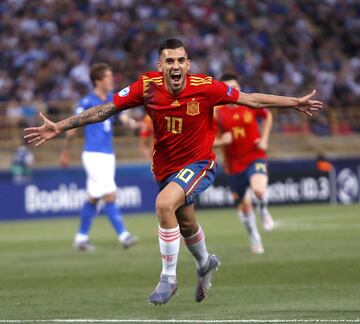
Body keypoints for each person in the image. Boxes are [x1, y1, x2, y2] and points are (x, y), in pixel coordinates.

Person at [24, 38, 323, 305]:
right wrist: (60, 126)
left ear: (188, 64)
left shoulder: (206, 86)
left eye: (181, 60)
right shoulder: (147, 86)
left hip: (199, 163)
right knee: (186, 222)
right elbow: (105, 109)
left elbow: (252, 99)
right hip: (166, 168)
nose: (176, 65)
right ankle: (205, 263)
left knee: (164, 204)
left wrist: (293, 102)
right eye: (170, 60)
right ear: (160, 65)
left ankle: (168, 277)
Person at [59, 63, 138, 251]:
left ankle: (81, 238)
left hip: (108, 154)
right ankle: (123, 235)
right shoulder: (86, 103)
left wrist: (130, 123)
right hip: (94, 154)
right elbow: (72, 129)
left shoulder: (112, 99)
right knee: (109, 194)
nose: (112, 80)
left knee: (94, 197)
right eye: (108, 77)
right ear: (98, 81)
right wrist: (66, 151)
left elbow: (124, 117)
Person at [214, 73, 274, 255]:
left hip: (255, 156)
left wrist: (264, 139)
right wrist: (220, 141)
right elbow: (207, 140)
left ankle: (263, 210)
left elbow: (268, 115)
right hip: (233, 165)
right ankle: (255, 237)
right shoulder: (218, 113)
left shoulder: (250, 102)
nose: (233, 91)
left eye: (235, 86)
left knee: (259, 190)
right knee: (244, 206)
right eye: (228, 88)